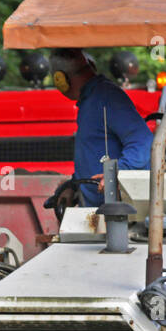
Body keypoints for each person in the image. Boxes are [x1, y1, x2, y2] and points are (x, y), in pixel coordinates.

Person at [45, 47, 153, 211]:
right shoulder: (91, 100)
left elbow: (143, 141)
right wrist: (73, 186)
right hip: (99, 213)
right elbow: (96, 155)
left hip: (119, 215)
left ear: (60, 79)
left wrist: (117, 173)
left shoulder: (107, 97)